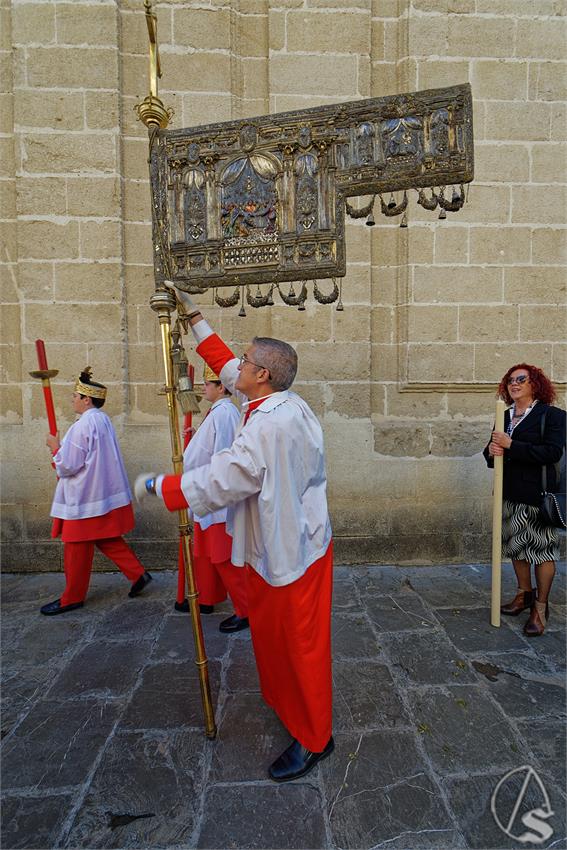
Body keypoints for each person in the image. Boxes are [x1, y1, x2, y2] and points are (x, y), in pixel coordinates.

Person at [136, 284, 334, 782]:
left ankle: (316, 737)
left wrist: (163, 486)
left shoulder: (269, 425)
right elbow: (226, 364)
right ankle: (288, 706)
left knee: (300, 647)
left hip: (290, 550)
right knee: (274, 641)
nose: (234, 369)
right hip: (282, 545)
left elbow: (227, 478)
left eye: (246, 362)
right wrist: (194, 316)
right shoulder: (277, 400)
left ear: (261, 375)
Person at [40, 368, 152, 616]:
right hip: (100, 494)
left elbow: (69, 464)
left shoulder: (82, 426)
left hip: (84, 497)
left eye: (75, 396)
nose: (72, 400)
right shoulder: (102, 419)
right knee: (104, 537)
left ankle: (72, 598)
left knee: (76, 547)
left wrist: (56, 447)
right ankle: (138, 574)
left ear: (86, 399)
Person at [484, 363, 565, 636]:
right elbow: (491, 456)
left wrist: (511, 445)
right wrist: (492, 449)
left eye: (521, 379)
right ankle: (524, 594)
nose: (514, 384)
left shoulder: (552, 416)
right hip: (509, 495)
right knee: (517, 549)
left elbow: (552, 453)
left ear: (535, 384)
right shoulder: (504, 415)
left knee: (541, 553)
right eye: (509, 380)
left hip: (538, 498)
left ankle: (540, 607)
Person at [175, 365, 248, 634]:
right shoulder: (216, 412)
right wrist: (195, 439)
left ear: (221, 387)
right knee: (205, 551)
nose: (203, 388)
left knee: (223, 557)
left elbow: (224, 452)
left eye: (209, 384)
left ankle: (246, 609)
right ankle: (207, 598)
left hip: (216, 494)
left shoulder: (225, 412)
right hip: (204, 489)